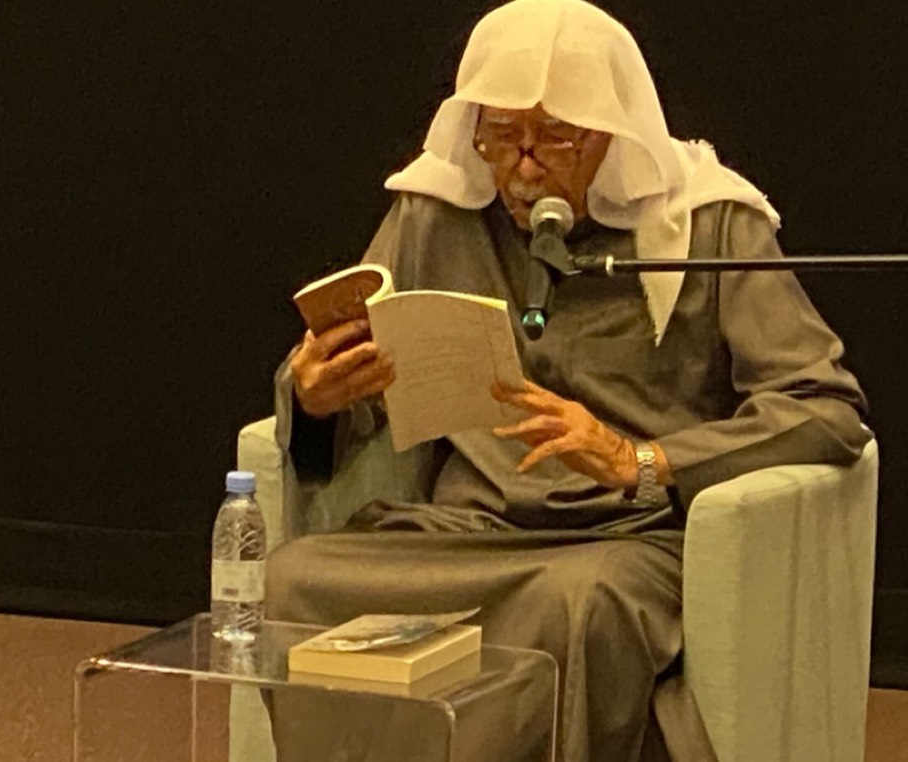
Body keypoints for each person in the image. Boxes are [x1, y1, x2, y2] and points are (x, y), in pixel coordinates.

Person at [266, 1, 871, 760]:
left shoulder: (708, 222)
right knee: (295, 579)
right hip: (466, 533)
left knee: (581, 605)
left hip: (624, 537)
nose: (523, 167)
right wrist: (315, 398)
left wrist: (639, 458)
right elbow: (360, 388)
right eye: (500, 136)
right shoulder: (437, 214)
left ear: (612, 134)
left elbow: (824, 407)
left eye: (555, 138)